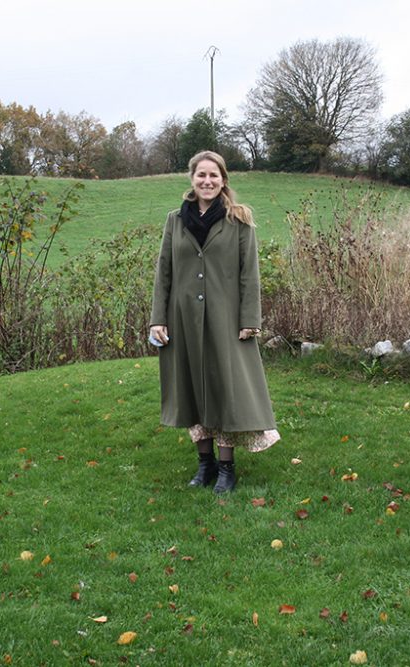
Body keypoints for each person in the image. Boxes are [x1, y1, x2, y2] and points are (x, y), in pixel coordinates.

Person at [150, 151, 279, 494]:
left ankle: (226, 468)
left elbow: (249, 275)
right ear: (191, 179)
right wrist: (157, 319)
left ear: (223, 180)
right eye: (201, 175)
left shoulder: (239, 220)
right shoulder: (174, 220)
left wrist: (250, 319)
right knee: (192, 389)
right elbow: (164, 273)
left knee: (226, 390)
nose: (207, 181)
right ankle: (204, 466)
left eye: (214, 176)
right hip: (183, 321)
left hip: (225, 319)